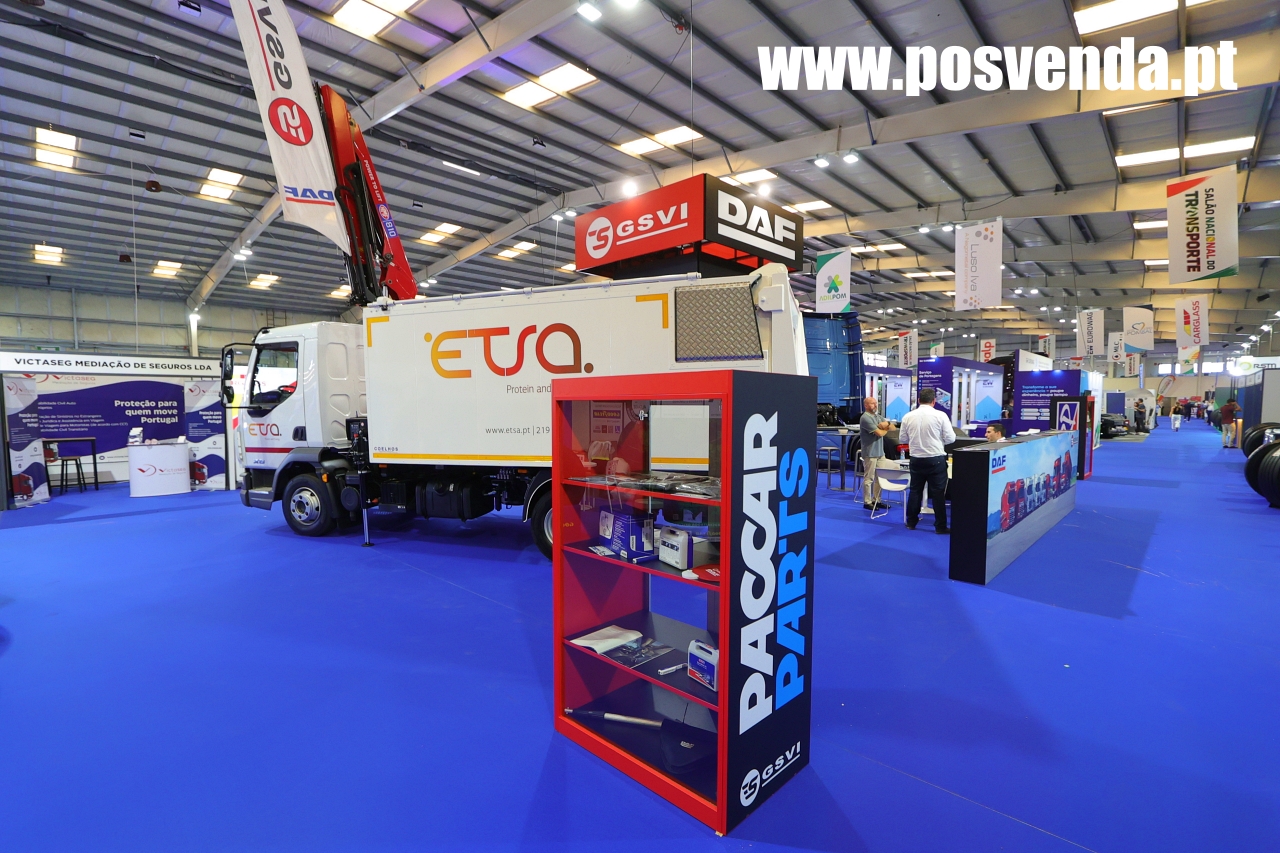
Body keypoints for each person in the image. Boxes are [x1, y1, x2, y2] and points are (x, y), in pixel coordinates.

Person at [899, 388, 956, 533]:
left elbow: (902, 439)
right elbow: (951, 438)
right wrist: (937, 440)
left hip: (916, 459)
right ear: (934, 401)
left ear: (919, 400)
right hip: (936, 459)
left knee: (915, 491)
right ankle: (940, 526)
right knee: (938, 494)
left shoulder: (908, 416)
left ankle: (911, 522)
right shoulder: (940, 415)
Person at [859, 396, 890, 511]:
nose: (875, 405)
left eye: (876, 403)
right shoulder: (865, 418)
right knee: (869, 478)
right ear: (866, 405)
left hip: (880, 453)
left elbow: (891, 426)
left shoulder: (878, 417)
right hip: (870, 453)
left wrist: (885, 426)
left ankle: (877, 500)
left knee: (880, 478)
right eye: (872, 403)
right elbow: (880, 433)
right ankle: (867, 502)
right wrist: (883, 428)